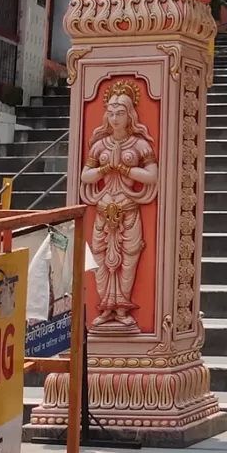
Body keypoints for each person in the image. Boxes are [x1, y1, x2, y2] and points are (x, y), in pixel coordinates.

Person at [80, 78, 158, 333]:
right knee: (102, 262)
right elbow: (85, 176)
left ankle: (122, 310)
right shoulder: (100, 145)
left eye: (120, 113)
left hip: (128, 210)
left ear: (130, 115)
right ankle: (105, 308)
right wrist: (104, 168)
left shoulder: (140, 145)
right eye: (111, 113)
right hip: (104, 211)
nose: (115, 118)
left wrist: (125, 169)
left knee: (128, 260)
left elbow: (151, 176)